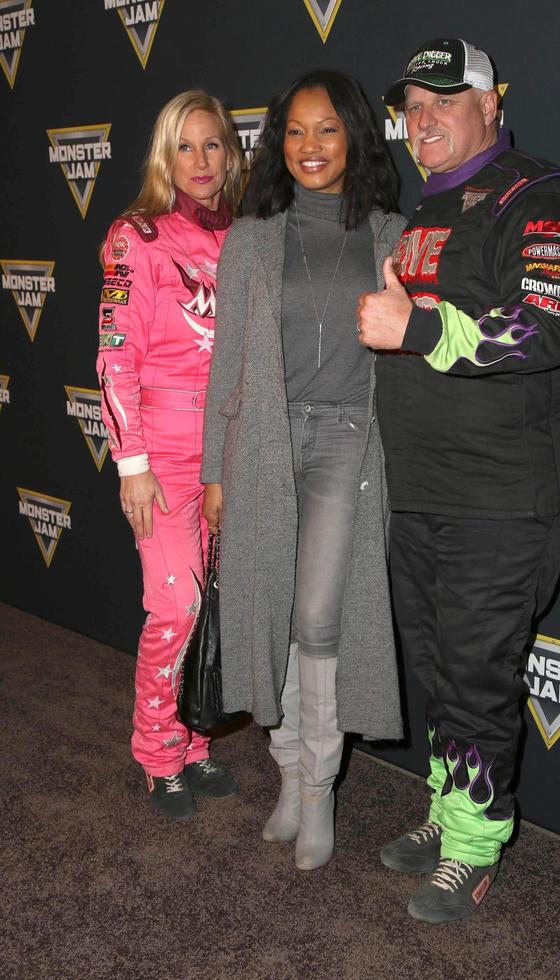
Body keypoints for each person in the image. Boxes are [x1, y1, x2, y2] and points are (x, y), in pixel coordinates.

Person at [357, 38, 560, 923]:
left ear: (494, 104)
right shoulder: (428, 208)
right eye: (412, 108)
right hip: (422, 486)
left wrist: (417, 328)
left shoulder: (546, 195)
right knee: (438, 666)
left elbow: (543, 327)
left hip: (507, 496)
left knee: (474, 669)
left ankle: (473, 846)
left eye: (445, 102)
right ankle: (452, 807)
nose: (422, 122)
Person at [201, 70, 405, 870]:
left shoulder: (392, 235)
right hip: (264, 443)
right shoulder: (251, 240)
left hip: (349, 438)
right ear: (275, 142)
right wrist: (218, 471)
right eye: (294, 131)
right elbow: (227, 367)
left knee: (319, 616)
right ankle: (288, 775)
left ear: (354, 136)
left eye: (327, 130)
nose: (310, 147)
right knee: (275, 613)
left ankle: (319, 788)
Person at [96, 90, 244, 821]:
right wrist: (133, 464)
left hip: (229, 459)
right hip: (160, 458)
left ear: (231, 151)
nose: (200, 161)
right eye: (185, 147)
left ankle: (192, 743)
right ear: (164, 155)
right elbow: (114, 357)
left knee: (213, 609)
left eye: (213, 144)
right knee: (176, 607)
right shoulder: (136, 236)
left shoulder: (244, 238)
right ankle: (156, 750)